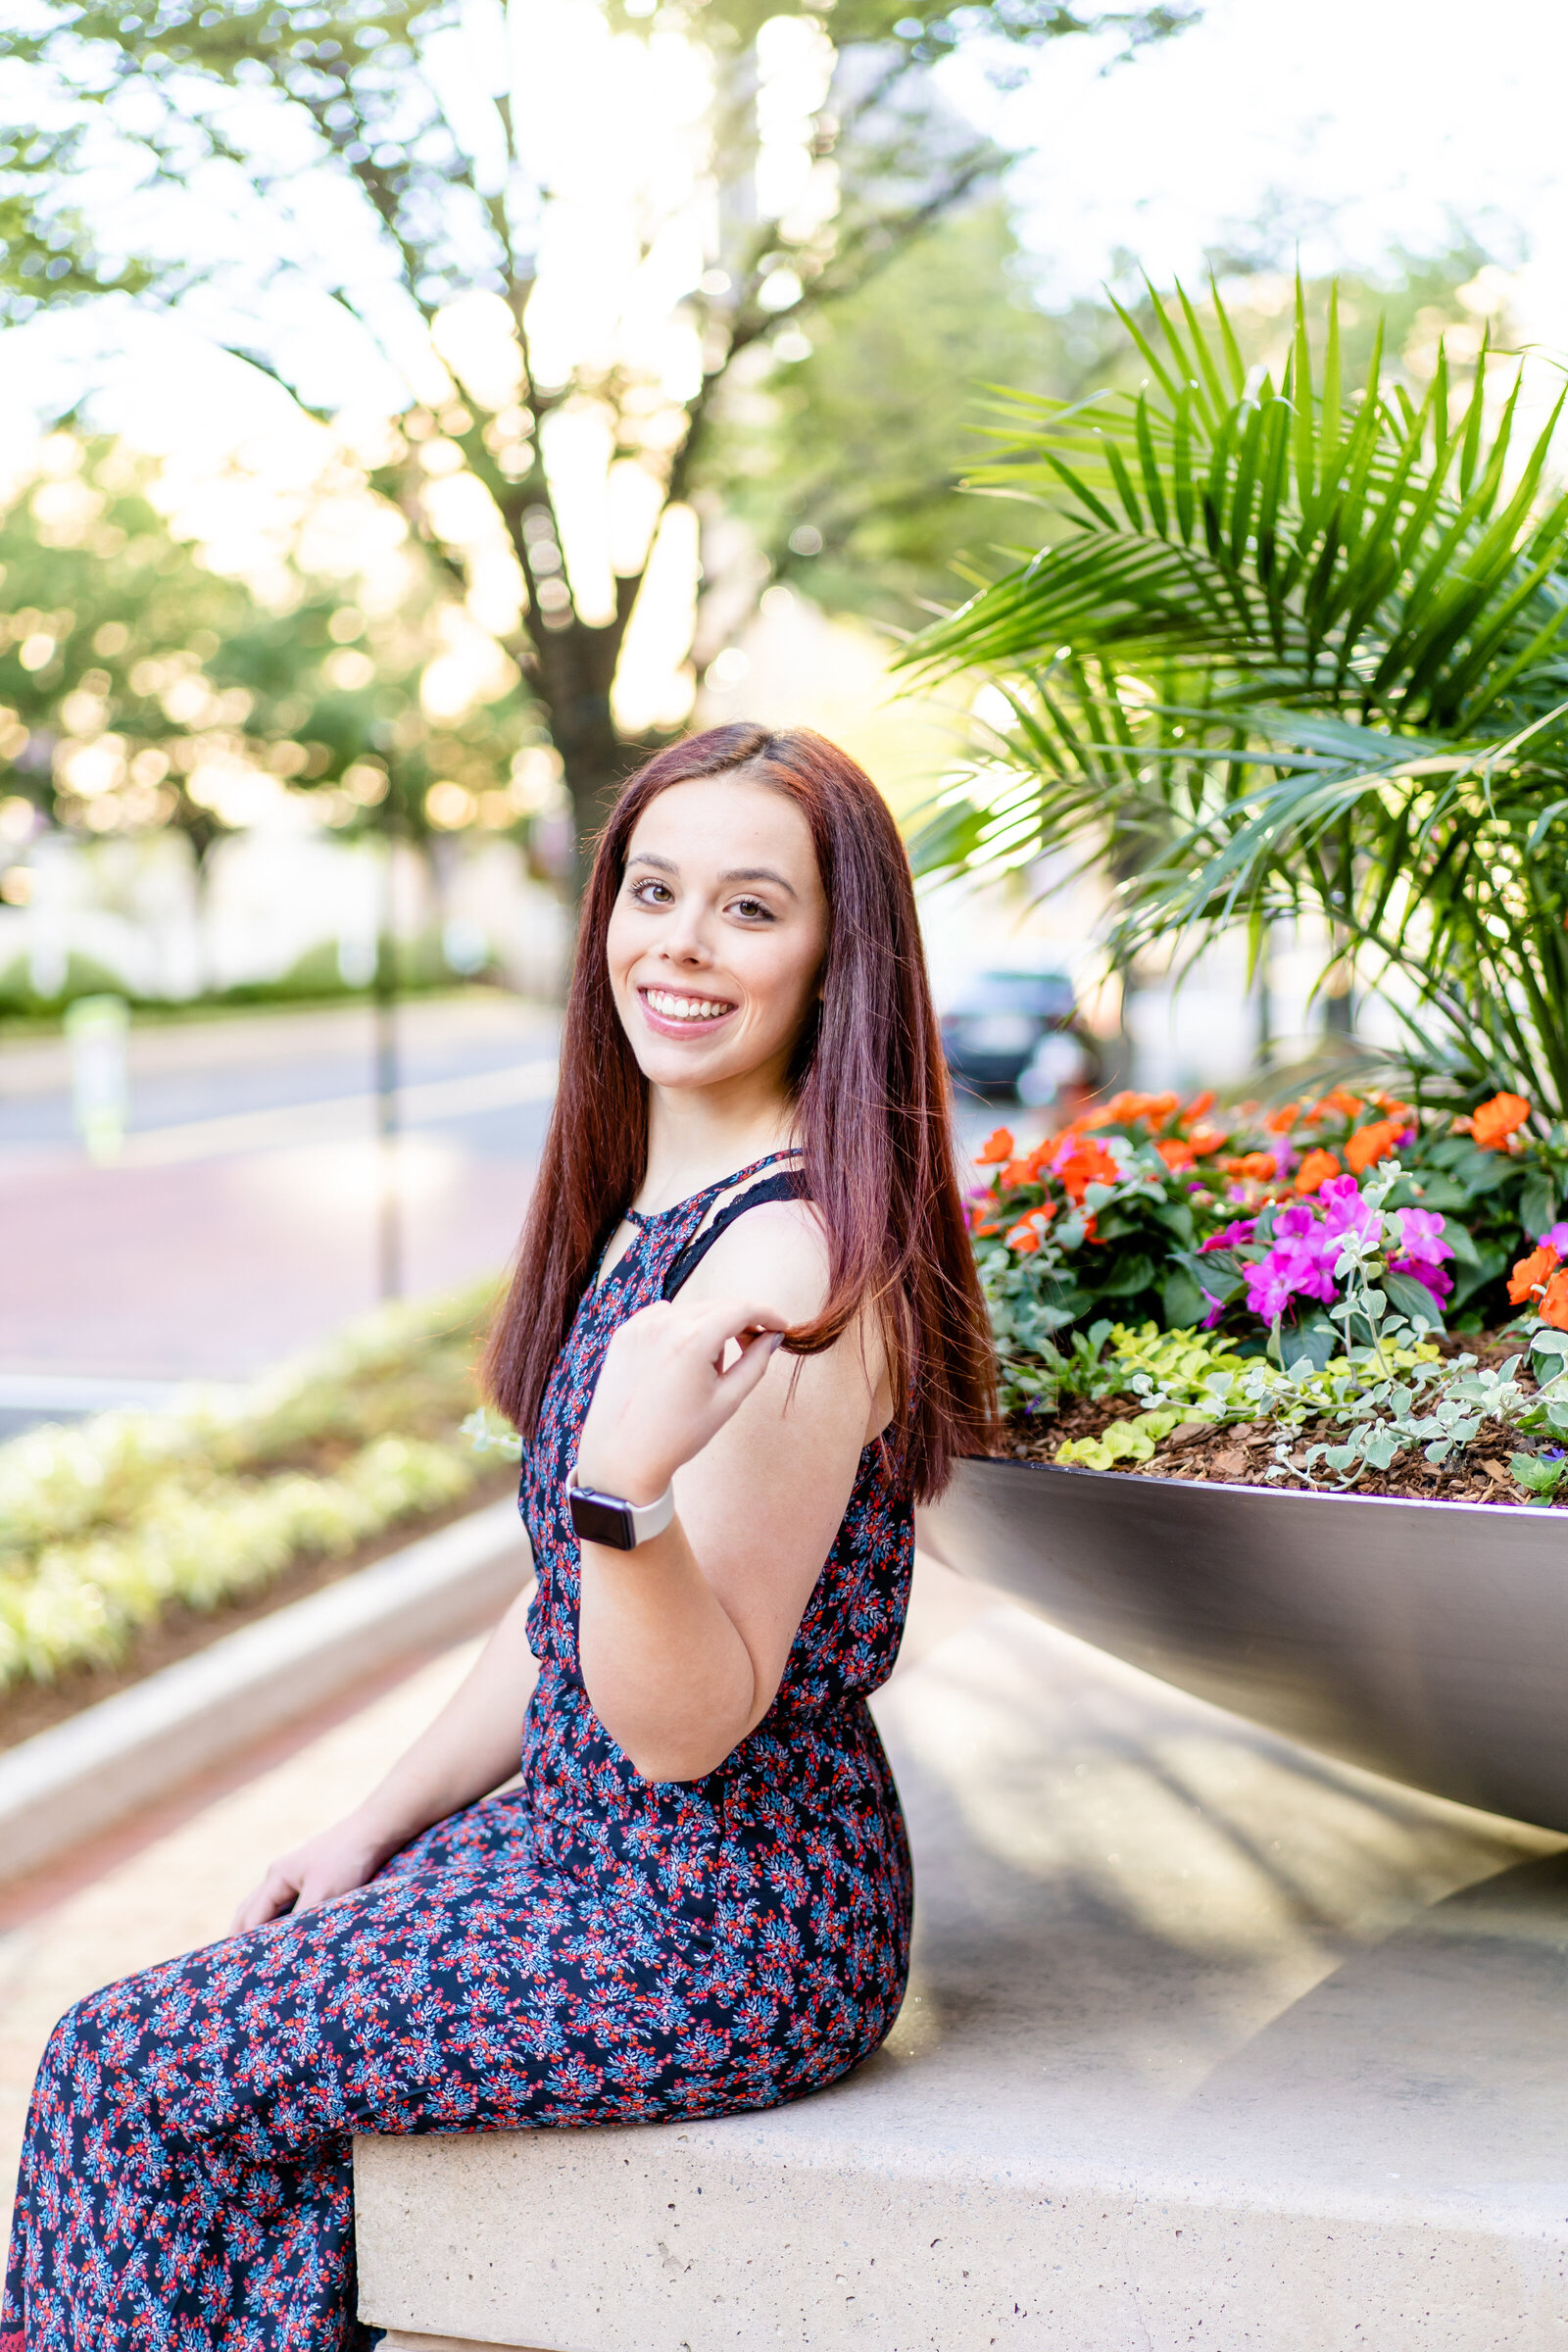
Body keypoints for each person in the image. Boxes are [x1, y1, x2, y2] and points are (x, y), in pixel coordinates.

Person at [2, 723, 996, 2352]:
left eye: (751, 908)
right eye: (653, 889)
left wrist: (626, 1492)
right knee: (252, 2093)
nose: (678, 941)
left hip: (722, 1923)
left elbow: (683, 1727)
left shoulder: (791, 1265)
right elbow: (559, 1614)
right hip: (587, 1852)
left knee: (124, 2070)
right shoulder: (662, 1206)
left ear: (839, 957)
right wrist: (372, 1821)